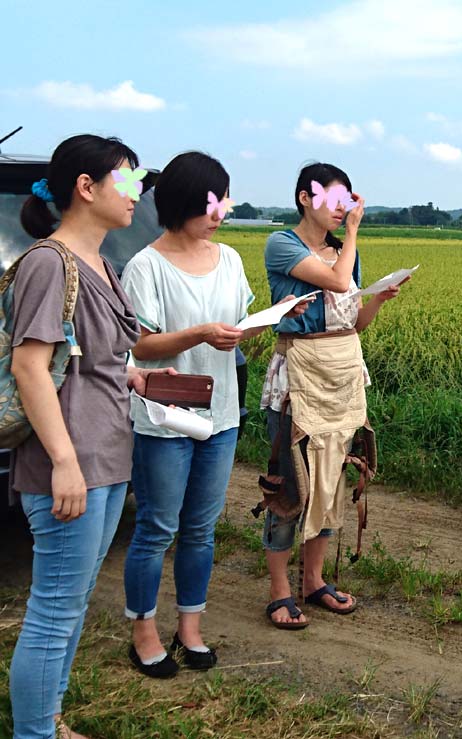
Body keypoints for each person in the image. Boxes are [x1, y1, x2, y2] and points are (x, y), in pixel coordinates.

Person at [120, 152, 309, 677]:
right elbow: (141, 343)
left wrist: (270, 319)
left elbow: (234, 332)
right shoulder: (146, 267)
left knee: (201, 529)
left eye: (222, 199)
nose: (219, 210)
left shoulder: (227, 259)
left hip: (221, 413)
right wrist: (201, 332)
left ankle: (190, 627)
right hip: (164, 416)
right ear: (181, 202)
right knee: (157, 527)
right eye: (210, 200)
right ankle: (142, 631)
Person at [8, 134, 169, 739]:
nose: (136, 194)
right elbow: (30, 366)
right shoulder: (51, 263)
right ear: (86, 187)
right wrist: (63, 463)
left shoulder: (102, 263)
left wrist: (135, 375)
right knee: (53, 610)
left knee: (70, 607)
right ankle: (35, 733)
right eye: (127, 181)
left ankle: (49, 718)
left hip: (105, 455)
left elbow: (88, 355)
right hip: (69, 464)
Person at [259, 162, 403, 629]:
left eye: (348, 202)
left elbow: (352, 319)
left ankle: (313, 580)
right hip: (300, 376)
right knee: (292, 485)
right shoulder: (283, 244)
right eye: (335, 201)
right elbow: (339, 283)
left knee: (333, 479)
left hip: (342, 375)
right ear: (306, 198)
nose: (344, 210)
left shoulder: (343, 252)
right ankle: (280, 591)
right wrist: (356, 235)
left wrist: (378, 298)